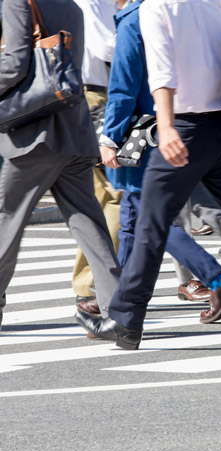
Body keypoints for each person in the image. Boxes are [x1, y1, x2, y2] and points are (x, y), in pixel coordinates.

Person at [75, 0, 221, 353]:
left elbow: (163, 75)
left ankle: (124, 321)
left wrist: (165, 127)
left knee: (149, 225)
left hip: (184, 126)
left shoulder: (157, 7)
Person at [99, 0, 221, 323]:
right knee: (133, 223)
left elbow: (122, 85)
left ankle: (218, 279)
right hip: (175, 124)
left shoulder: (134, 18)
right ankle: (116, 304)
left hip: (140, 133)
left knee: (148, 219)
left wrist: (109, 137)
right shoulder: (174, 10)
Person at [0, 0, 120, 330]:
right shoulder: (71, 6)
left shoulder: (18, 2)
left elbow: (14, 64)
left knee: (6, 219)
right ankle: (119, 312)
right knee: (88, 222)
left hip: (34, 135)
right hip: (74, 130)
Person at [71, 0, 122, 314]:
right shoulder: (91, 2)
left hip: (92, 95)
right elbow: (108, 47)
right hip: (95, 96)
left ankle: (92, 284)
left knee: (101, 197)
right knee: (112, 195)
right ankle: (92, 284)